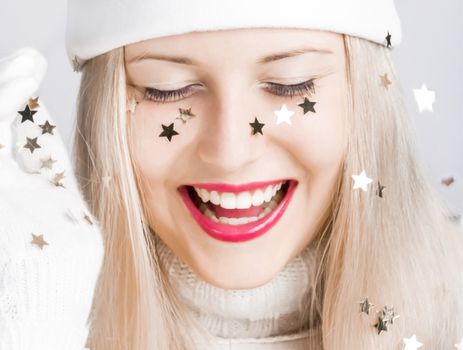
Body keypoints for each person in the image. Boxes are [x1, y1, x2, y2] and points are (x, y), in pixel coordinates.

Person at [1, 0, 463, 349]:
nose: (230, 153)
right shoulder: (31, 310)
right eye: (168, 90)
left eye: (291, 84)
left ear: (367, 97)